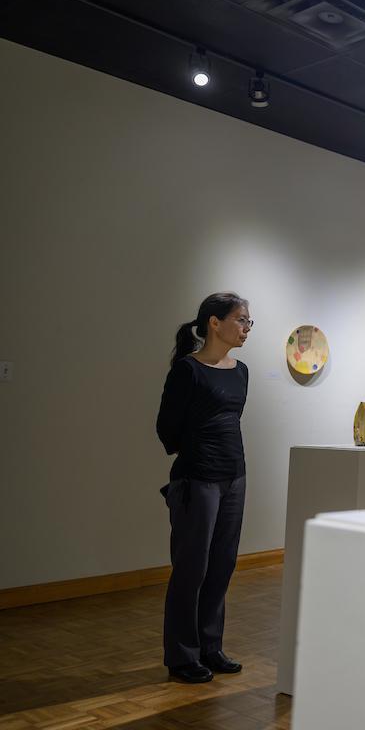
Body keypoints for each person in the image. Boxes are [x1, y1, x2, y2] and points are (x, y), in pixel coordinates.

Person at [155, 292, 253, 683]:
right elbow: (167, 428)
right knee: (191, 568)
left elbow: (232, 421)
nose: (246, 328)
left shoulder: (241, 370)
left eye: (249, 322)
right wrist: (197, 451)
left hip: (235, 476)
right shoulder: (188, 370)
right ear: (215, 322)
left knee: (222, 564)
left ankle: (210, 647)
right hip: (198, 478)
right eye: (241, 320)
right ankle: (182, 655)